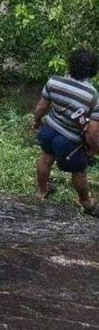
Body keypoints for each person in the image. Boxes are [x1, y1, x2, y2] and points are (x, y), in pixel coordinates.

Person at [33, 49, 99, 217]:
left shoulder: (54, 81)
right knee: (79, 172)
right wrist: (93, 149)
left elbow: (41, 107)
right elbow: (92, 133)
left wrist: (37, 121)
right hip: (70, 141)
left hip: (50, 130)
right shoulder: (93, 97)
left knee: (45, 159)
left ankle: (42, 191)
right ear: (92, 71)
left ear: (71, 65)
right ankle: (86, 202)